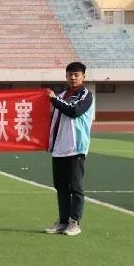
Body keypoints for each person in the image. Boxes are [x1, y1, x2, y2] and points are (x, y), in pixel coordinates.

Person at [43, 61, 94, 236]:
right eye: (70, 74)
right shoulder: (62, 95)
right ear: (66, 76)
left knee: (76, 187)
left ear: (83, 76)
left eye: (76, 74)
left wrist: (53, 99)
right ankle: (63, 221)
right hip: (59, 148)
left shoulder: (85, 95)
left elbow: (74, 111)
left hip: (75, 148)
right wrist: (50, 142)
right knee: (61, 187)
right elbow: (54, 120)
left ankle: (75, 222)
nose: (73, 78)